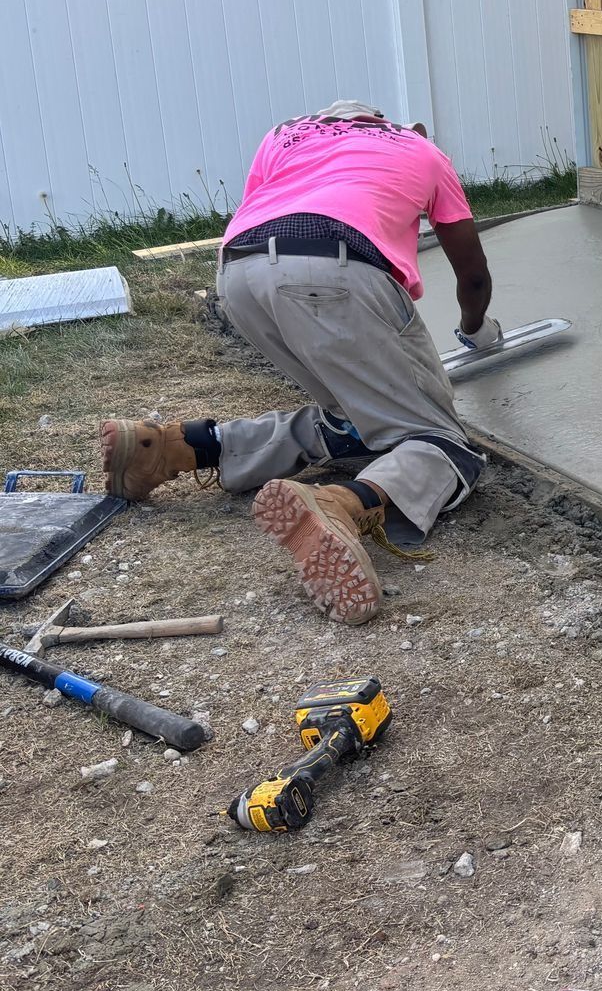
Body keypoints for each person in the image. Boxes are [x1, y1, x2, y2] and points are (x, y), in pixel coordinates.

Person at [97, 101, 501, 625]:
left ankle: (174, 447)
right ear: (390, 124)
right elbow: (472, 273)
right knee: (440, 442)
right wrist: (476, 330)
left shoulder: (285, 135)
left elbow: (263, 210)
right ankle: (344, 505)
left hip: (239, 275)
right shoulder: (420, 148)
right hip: (335, 268)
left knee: (348, 418)